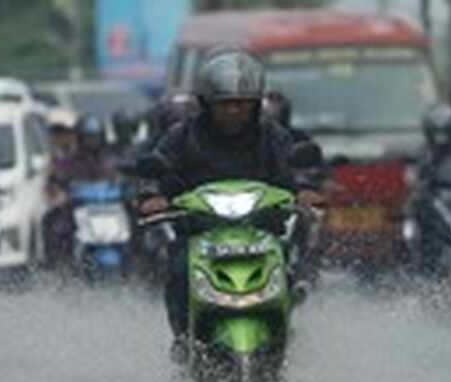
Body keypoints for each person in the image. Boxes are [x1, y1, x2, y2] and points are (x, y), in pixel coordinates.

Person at [135, 49, 323, 345]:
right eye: (226, 104)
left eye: (242, 103)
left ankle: (282, 333)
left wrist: (305, 190)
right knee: (180, 266)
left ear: (256, 104)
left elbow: (294, 167)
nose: (234, 111)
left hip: (261, 231)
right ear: (207, 104)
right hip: (200, 234)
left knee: (288, 264)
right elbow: (155, 168)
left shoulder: (273, 135)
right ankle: (184, 340)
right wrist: (150, 194)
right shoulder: (182, 136)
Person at [41, 114, 120, 269]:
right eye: (88, 138)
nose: (92, 142)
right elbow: (56, 178)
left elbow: (120, 177)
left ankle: (140, 262)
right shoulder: (69, 161)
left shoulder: (110, 160)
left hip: (109, 209)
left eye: (95, 138)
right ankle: (59, 267)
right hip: (78, 210)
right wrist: (59, 190)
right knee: (55, 224)